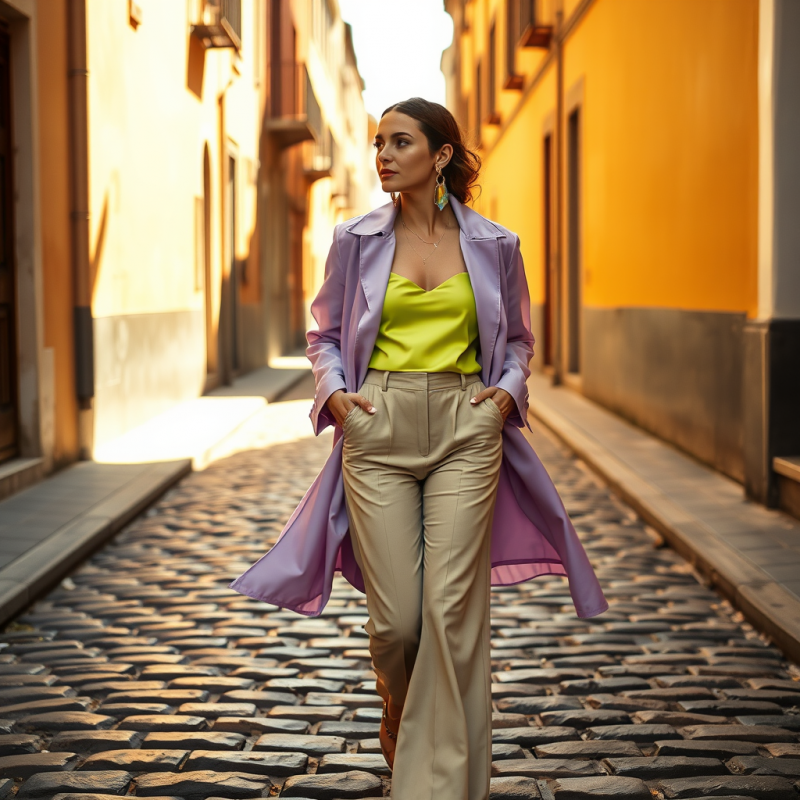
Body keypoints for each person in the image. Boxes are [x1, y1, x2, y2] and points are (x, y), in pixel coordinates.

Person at [230, 98, 608, 800]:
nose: (382, 155)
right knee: (398, 622)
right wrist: (336, 395)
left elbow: (519, 340)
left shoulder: (496, 245)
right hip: (378, 428)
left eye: (400, 142)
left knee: (451, 614)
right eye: (378, 143)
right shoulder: (355, 240)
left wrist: (505, 395)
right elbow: (324, 334)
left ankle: (438, 785)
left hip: (468, 427)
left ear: (440, 156)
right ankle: (400, 715)